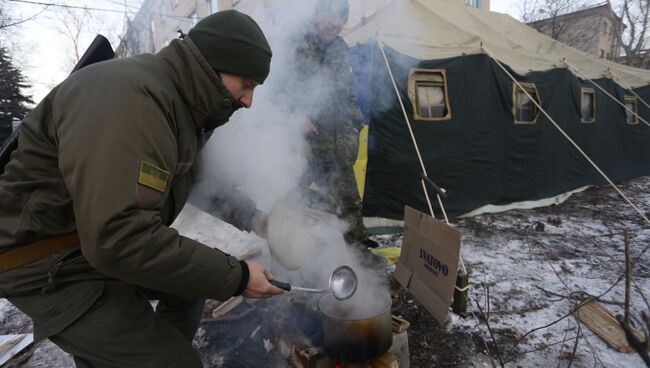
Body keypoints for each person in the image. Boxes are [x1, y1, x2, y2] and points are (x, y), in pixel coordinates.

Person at [0, 10, 283, 368]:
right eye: (246, 84)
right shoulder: (134, 100)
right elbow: (120, 239)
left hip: (89, 244)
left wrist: (257, 220)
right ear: (213, 67)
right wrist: (237, 277)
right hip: (46, 263)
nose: (248, 101)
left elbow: (195, 178)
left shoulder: (182, 104)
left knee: (189, 293)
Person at [284, 0, 377, 248]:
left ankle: (358, 250)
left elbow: (347, 93)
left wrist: (355, 123)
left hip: (336, 143)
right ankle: (284, 247)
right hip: (302, 144)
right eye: (332, 16)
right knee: (289, 197)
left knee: (348, 200)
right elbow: (274, 87)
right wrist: (295, 115)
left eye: (341, 20)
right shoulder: (294, 41)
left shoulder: (340, 47)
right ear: (318, 14)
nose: (336, 24)